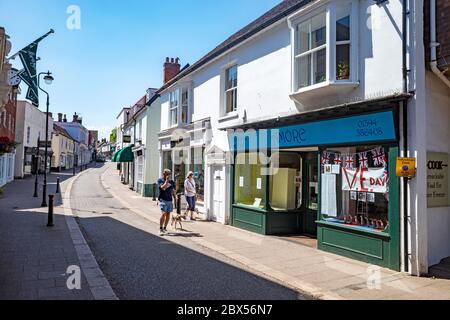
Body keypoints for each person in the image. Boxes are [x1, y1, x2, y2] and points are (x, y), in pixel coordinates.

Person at [158, 169, 176, 235]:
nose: (168, 175)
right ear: (164, 173)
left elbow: (173, 190)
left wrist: (175, 198)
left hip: (169, 200)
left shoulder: (172, 182)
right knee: (163, 213)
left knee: (168, 214)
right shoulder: (160, 180)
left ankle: (165, 228)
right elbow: (162, 188)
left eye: (169, 174)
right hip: (163, 199)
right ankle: (160, 229)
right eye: (167, 173)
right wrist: (166, 181)